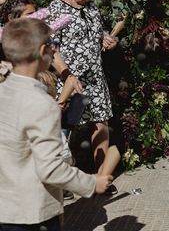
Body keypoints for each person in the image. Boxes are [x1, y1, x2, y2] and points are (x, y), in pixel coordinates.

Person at [0, 18, 111, 231]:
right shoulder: (42, 103)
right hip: (31, 213)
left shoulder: (3, 90)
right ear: (43, 51)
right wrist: (91, 183)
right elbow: (49, 169)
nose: (54, 50)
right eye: (53, 45)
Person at [48, 0, 118, 188]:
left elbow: (98, 33)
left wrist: (107, 38)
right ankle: (62, 180)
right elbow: (51, 49)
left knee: (100, 123)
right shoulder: (55, 10)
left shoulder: (91, 7)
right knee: (67, 128)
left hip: (96, 78)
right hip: (72, 83)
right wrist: (67, 75)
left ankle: (102, 177)